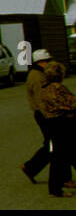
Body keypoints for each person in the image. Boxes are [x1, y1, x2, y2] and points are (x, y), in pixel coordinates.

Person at [38, 61, 76, 198]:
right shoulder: (58, 88)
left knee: (63, 155)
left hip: (51, 123)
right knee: (60, 157)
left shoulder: (45, 88)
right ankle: (55, 188)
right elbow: (71, 103)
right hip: (61, 124)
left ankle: (55, 187)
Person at [21, 49, 55, 183]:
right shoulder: (37, 77)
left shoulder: (40, 74)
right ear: (41, 62)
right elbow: (41, 100)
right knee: (54, 145)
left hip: (45, 114)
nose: (50, 63)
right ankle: (30, 167)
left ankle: (31, 167)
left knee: (53, 145)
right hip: (44, 115)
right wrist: (52, 116)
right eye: (48, 61)